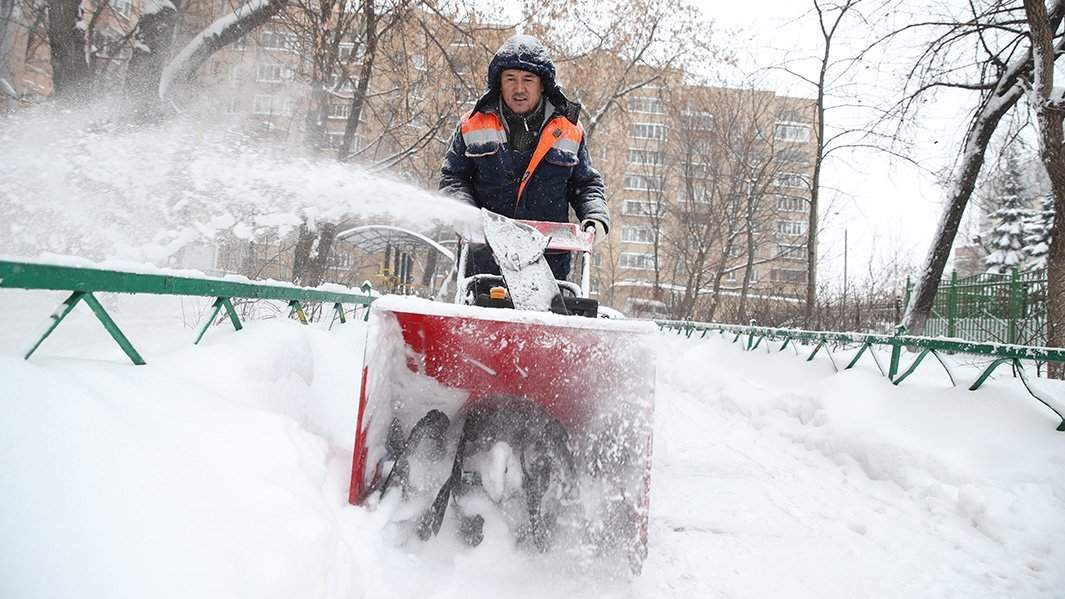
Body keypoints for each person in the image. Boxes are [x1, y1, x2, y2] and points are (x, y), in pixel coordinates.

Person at [439, 34, 608, 283]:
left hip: (547, 262)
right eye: (511, 79)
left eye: (528, 80)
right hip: (485, 260)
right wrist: (464, 213)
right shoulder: (472, 124)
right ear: (499, 83)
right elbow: (453, 178)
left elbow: (586, 184)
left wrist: (595, 217)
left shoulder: (569, 129)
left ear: (542, 84)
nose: (519, 89)